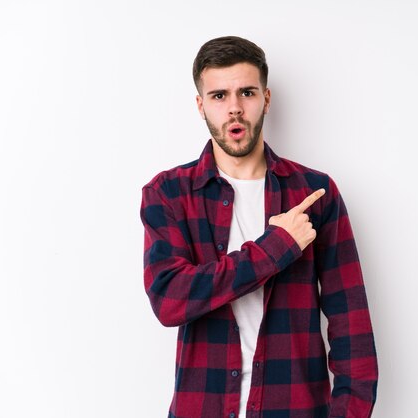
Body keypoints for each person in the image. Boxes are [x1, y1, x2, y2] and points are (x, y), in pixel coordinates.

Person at [140, 36, 378, 418]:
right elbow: (169, 300)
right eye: (219, 96)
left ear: (266, 99)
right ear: (201, 106)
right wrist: (276, 247)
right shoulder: (169, 194)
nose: (234, 108)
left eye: (246, 92)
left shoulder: (315, 194)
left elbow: (353, 331)